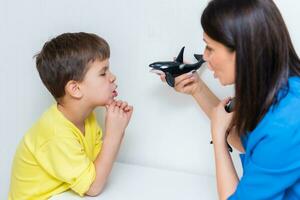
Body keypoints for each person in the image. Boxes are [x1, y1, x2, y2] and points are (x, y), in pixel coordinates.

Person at [160, 0, 300, 199]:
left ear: (243, 50)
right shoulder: (283, 89)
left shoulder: (285, 124)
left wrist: (218, 138)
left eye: (210, 48)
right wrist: (197, 88)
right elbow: (253, 144)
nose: (205, 57)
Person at [9, 32, 133, 199]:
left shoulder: (87, 117)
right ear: (75, 89)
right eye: (103, 73)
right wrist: (113, 135)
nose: (113, 77)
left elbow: (98, 168)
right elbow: (93, 187)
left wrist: (119, 128)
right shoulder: (56, 134)